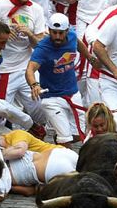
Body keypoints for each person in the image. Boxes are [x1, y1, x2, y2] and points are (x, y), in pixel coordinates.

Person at [0, 0, 47, 130]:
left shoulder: (37, 10)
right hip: (5, 70)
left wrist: (29, 33)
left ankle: (36, 131)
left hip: (28, 70)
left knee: (42, 110)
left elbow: (40, 45)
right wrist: (4, 34)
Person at [26, 13, 93, 146]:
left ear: (67, 31)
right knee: (66, 139)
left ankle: (53, 139)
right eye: (54, 32)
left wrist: (90, 57)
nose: (57, 36)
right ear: (49, 31)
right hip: (51, 97)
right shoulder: (43, 48)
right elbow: (30, 69)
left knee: (79, 135)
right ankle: (66, 163)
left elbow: (79, 43)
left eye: (61, 33)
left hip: (73, 93)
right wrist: (34, 84)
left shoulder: (72, 36)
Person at [1, 143, 78, 196]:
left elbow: (29, 191)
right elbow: (29, 191)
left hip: (32, 156)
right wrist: (10, 188)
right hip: (25, 170)